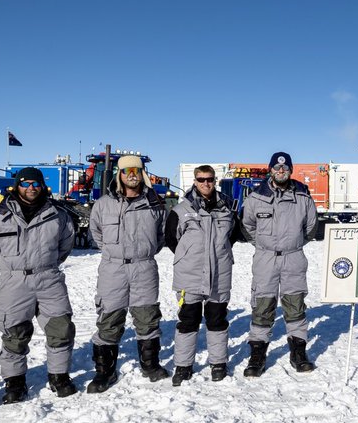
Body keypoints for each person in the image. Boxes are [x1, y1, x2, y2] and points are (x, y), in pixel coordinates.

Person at [0, 167, 80, 403]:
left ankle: (59, 377)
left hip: (49, 279)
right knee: (14, 333)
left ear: (42, 186)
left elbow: (65, 247)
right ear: (17, 186)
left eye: (35, 184)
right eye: (26, 184)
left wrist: (45, 264)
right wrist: (11, 267)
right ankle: (14, 382)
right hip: (14, 282)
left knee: (61, 328)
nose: (31, 188)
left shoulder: (58, 215)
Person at [87, 154, 168, 392]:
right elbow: (96, 233)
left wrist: (144, 251)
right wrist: (116, 253)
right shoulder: (103, 204)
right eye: (126, 171)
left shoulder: (155, 204)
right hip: (114, 268)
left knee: (147, 317)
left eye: (136, 170)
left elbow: (161, 235)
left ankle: (150, 366)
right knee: (109, 318)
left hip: (144, 267)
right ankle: (105, 372)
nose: (131, 174)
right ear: (119, 175)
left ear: (142, 173)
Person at [241, 152, 318, 376]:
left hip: (293, 257)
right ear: (270, 170)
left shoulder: (303, 196)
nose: (281, 171)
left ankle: (298, 353)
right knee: (263, 306)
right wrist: (266, 245)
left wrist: (292, 244)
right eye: (277, 167)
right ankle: (257, 356)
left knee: (295, 305)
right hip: (265, 259)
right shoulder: (256, 197)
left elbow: (311, 227)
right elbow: (247, 226)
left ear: (291, 170)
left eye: (285, 168)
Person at [164, 165, 242, 383]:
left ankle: (218, 363)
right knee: (188, 320)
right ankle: (183, 365)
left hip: (219, 273)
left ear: (214, 180)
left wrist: (219, 253)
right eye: (201, 179)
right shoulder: (181, 209)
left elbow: (233, 235)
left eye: (209, 179)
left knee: (217, 319)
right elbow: (171, 239)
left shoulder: (227, 208)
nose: (206, 183)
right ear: (195, 181)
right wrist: (189, 255)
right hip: (189, 274)